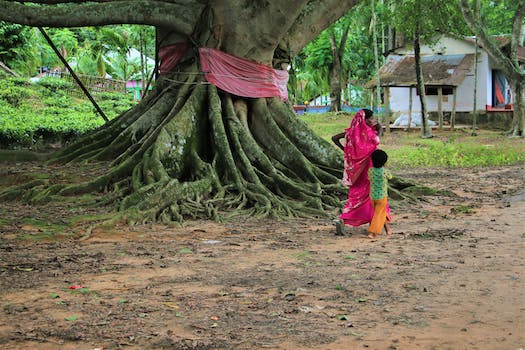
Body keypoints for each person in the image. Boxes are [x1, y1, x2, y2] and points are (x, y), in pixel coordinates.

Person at [331, 108, 384, 236]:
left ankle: (343, 219)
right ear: (364, 120)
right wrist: (380, 129)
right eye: (371, 118)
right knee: (371, 196)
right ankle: (374, 221)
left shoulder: (351, 133)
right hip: (370, 170)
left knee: (356, 196)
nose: (373, 120)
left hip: (356, 172)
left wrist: (345, 150)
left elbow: (334, 138)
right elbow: (377, 141)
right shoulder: (370, 133)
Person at [367, 149, 392, 238]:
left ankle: (387, 229)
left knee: (380, 213)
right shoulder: (385, 171)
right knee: (379, 214)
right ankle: (372, 232)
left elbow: (369, 178)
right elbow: (390, 177)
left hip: (373, 197)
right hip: (382, 197)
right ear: (384, 162)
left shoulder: (370, 171)